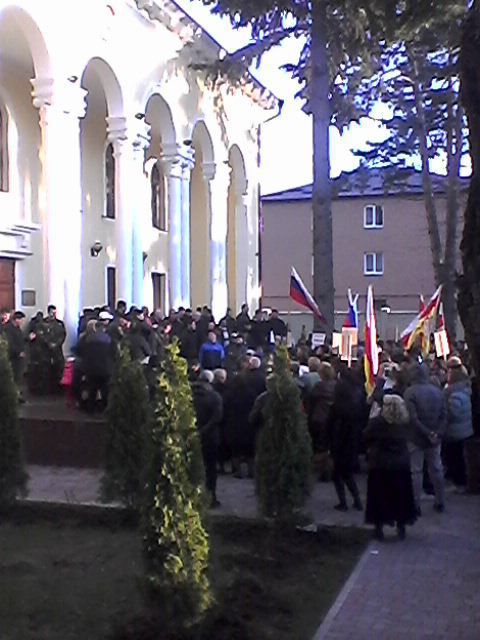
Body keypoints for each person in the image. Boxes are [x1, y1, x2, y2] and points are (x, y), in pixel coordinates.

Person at [364, 394, 417, 541]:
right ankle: (401, 525)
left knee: (379, 496)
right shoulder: (404, 423)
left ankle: (379, 527)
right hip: (401, 464)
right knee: (401, 496)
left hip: (380, 464)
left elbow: (365, 436)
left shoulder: (378, 422)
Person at [404, 362, 447, 515]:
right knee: (436, 468)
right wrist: (437, 433)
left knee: (416, 471)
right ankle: (440, 501)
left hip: (415, 437)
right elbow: (444, 415)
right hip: (435, 436)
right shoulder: (438, 391)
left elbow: (413, 418)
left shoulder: (410, 392)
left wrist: (428, 433)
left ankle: (415, 504)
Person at [327, 366, 364, 511]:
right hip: (352, 440)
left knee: (338, 473)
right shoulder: (357, 398)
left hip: (339, 441)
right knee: (347, 472)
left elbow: (330, 424)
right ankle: (356, 500)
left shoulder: (337, 407)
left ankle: (344, 502)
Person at [191, 369, 223, 507]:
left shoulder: (189, 394)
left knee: (192, 466)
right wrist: (204, 431)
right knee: (210, 468)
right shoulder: (214, 396)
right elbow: (217, 417)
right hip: (210, 437)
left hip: (190, 436)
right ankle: (210, 497)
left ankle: (193, 497)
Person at [443, 358, 473, 490]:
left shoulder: (454, 395)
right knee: (460, 457)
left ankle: (459, 483)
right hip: (465, 428)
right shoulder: (466, 389)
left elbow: (453, 413)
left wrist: (445, 412)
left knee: (456, 459)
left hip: (455, 431)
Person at [3, 311, 27, 402]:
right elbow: (10, 343)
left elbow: (20, 340)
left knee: (18, 377)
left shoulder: (17, 329)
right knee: (14, 377)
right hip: (13, 357)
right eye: (21, 320)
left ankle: (17, 395)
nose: (22, 322)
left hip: (18, 358)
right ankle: (13, 397)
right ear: (16, 319)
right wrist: (18, 352)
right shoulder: (8, 329)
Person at [44, 304, 66, 392]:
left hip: (57, 350)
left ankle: (57, 388)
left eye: (55, 312)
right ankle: (48, 388)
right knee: (47, 369)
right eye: (51, 312)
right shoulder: (43, 323)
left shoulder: (60, 323)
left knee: (58, 368)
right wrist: (48, 343)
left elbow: (63, 335)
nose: (53, 314)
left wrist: (56, 344)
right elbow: (41, 335)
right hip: (46, 351)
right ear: (48, 312)